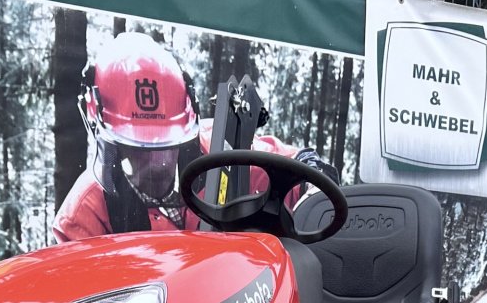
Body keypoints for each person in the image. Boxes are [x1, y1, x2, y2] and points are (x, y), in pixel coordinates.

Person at [52, 30, 338, 243]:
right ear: (107, 141)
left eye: (167, 143)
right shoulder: (84, 217)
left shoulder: (221, 152)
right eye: (138, 148)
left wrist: (307, 173)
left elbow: (277, 164)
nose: (156, 161)